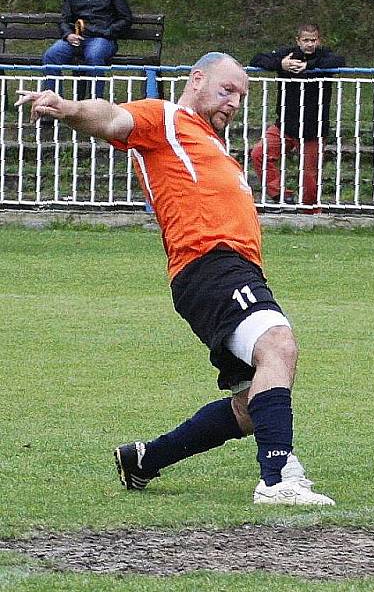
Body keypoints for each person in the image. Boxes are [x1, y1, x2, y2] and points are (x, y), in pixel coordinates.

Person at [15, 52, 335, 506]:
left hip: (226, 271)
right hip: (210, 264)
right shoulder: (166, 118)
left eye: (242, 96)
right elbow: (112, 118)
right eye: (227, 90)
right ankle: (278, 477)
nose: (235, 102)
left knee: (251, 404)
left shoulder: (212, 143)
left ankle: (145, 459)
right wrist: (67, 108)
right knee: (278, 345)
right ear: (197, 80)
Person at [249, 24, 345, 212]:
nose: (309, 44)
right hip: (284, 124)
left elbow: (339, 61)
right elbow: (257, 59)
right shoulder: (288, 54)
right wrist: (281, 64)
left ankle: (310, 213)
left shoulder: (325, 56)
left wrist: (308, 66)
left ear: (319, 40)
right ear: (298, 41)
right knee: (259, 154)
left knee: (309, 175)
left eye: (313, 40)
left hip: (313, 129)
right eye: (306, 40)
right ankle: (281, 195)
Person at [42, 0, 133, 99]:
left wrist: (107, 31)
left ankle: (95, 103)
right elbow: (64, 20)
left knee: (94, 56)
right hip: (76, 39)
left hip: (103, 39)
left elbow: (126, 19)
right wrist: (68, 34)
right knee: (50, 56)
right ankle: (53, 103)